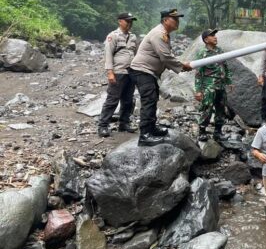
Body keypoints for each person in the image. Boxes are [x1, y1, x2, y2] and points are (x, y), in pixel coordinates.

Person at [129, 8, 193, 146]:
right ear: (165, 20)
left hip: (147, 72)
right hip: (143, 71)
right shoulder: (159, 34)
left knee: (152, 98)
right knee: (149, 100)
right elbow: (165, 57)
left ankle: (151, 129)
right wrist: (182, 66)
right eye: (174, 19)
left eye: (178, 19)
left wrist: (179, 65)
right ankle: (145, 135)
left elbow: (165, 57)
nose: (177, 22)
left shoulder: (164, 34)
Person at [98, 12, 139, 137]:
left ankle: (124, 123)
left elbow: (136, 54)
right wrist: (110, 72)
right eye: (127, 21)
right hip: (118, 72)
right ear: (120, 21)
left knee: (128, 100)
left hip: (130, 72)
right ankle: (103, 126)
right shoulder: (113, 36)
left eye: (131, 21)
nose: (129, 24)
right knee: (112, 100)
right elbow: (108, 54)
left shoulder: (133, 37)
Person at [194, 29, 234, 142]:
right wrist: (198, 90)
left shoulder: (220, 51)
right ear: (206, 39)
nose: (215, 37)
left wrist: (229, 81)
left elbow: (225, 66)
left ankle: (218, 132)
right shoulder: (202, 53)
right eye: (212, 36)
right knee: (207, 109)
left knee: (221, 109)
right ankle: (202, 131)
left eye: (215, 35)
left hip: (221, 86)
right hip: (209, 87)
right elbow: (198, 73)